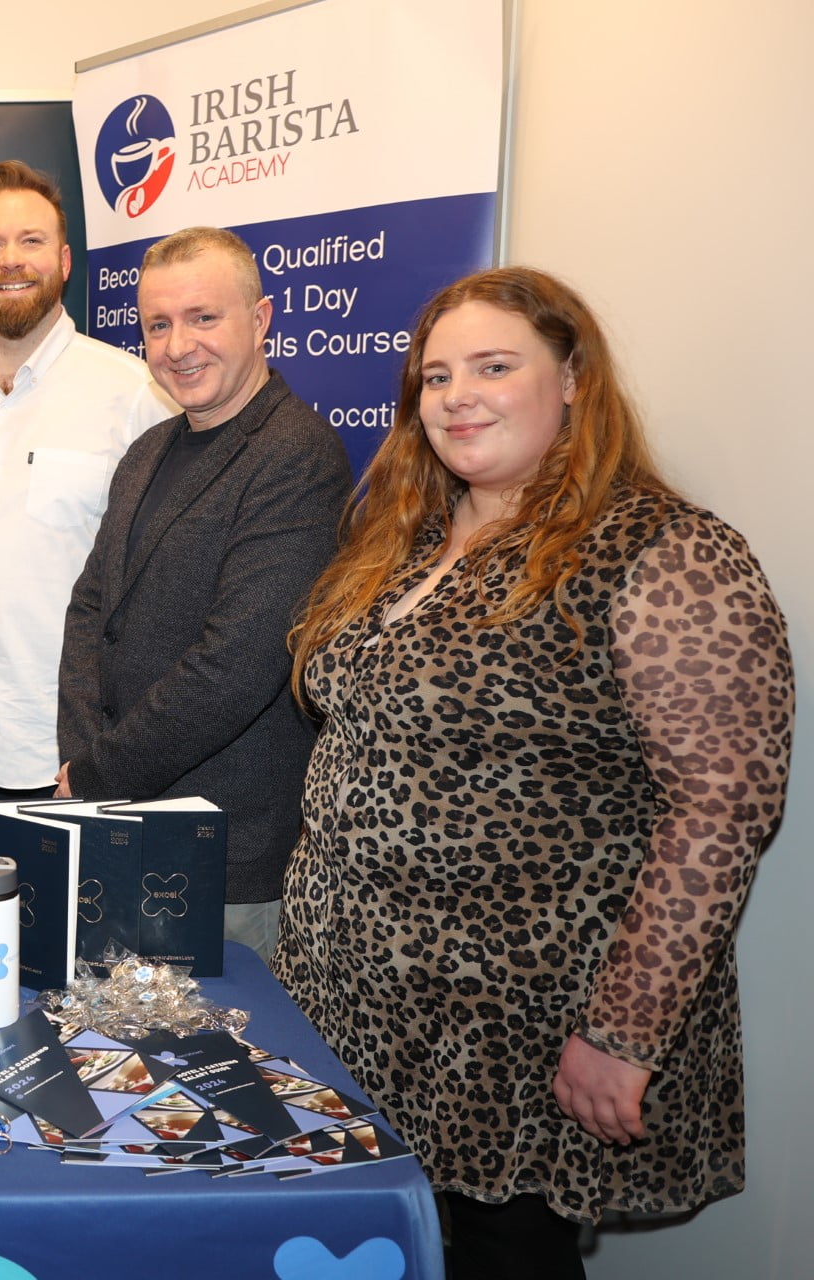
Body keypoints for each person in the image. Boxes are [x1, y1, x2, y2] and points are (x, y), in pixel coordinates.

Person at [272, 267, 794, 1276]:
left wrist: (625, 1032)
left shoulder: (664, 551)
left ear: (573, 380)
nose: (456, 396)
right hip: (357, 1003)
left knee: (504, 1255)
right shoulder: (408, 539)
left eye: (493, 367)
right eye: (435, 377)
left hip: (519, 1027)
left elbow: (722, 808)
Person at [54, 228, 349, 961]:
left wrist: (96, 775)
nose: (178, 345)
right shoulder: (148, 451)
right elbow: (92, 612)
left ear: (261, 319)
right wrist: (87, 765)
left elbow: (238, 665)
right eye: (158, 325)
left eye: (203, 318)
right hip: (119, 823)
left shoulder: (297, 453)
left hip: (222, 853)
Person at [0, 160, 171, 841]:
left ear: (62, 261)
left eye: (30, 241)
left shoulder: (135, 394)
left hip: (82, 758)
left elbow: (164, 586)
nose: (10, 260)